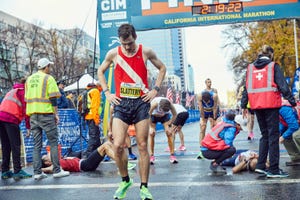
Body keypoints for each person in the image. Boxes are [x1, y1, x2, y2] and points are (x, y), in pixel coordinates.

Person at [97, 23, 166, 200]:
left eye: (129, 43)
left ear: (135, 37)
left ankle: (144, 187)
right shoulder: (113, 53)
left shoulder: (146, 51)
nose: (127, 47)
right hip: (121, 103)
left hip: (141, 103)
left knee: (142, 145)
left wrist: (155, 90)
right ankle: (125, 180)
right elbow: (100, 71)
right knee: (118, 145)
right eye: (124, 44)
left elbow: (162, 68)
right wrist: (107, 93)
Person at [241, 45, 296, 178]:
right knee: (273, 136)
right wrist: (292, 101)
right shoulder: (273, 66)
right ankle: (274, 169)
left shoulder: (250, 68)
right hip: (271, 105)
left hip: (257, 105)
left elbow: (246, 88)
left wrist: (243, 105)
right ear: (271, 54)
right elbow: (283, 85)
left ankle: (260, 166)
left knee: (264, 135)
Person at [25, 57, 70, 180]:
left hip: (33, 115)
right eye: (49, 66)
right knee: (53, 142)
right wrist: (56, 114)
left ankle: (37, 173)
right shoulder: (48, 78)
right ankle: (56, 170)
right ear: (46, 67)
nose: (50, 68)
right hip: (46, 114)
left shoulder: (29, 80)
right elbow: (53, 98)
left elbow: (26, 99)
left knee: (36, 145)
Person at [0, 77, 32, 180]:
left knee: (6, 145)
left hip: (1, 117)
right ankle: (17, 171)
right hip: (11, 118)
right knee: (16, 145)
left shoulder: (13, 90)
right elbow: (26, 110)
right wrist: (28, 127)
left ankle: (5, 171)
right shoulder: (23, 92)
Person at [41, 141, 136, 173]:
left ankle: (123, 162)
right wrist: (40, 169)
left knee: (107, 143)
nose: (49, 155)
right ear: (47, 162)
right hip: (85, 166)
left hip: (85, 162)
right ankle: (122, 164)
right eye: (47, 157)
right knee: (105, 147)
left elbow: (51, 152)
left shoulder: (57, 159)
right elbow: (50, 168)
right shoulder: (56, 165)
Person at [149, 97, 178, 164]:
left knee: (169, 133)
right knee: (151, 133)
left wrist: (170, 123)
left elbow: (175, 115)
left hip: (164, 117)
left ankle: (172, 155)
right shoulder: (155, 104)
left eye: (165, 111)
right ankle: (151, 156)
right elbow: (148, 115)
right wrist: (151, 127)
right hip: (153, 115)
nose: (163, 112)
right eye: (163, 110)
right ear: (160, 106)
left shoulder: (170, 105)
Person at [196, 90, 220, 159]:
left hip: (213, 111)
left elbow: (215, 108)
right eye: (205, 102)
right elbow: (201, 109)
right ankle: (201, 149)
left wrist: (214, 119)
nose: (207, 103)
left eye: (208, 101)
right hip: (204, 111)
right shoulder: (199, 96)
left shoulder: (214, 96)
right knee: (202, 128)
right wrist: (203, 120)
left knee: (216, 128)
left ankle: (215, 147)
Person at [84, 82, 103, 158]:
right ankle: (88, 155)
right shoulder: (96, 91)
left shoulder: (89, 91)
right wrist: (96, 120)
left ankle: (99, 153)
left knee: (96, 136)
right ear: (99, 86)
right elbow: (94, 107)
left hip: (88, 116)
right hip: (92, 117)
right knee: (93, 136)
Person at [279, 99, 300, 166]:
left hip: (296, 124)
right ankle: (296, 158)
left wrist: (283, 136)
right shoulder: (278, 108)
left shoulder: (283, 109)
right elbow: (284, 123)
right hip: (297, 123)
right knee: (285, 136)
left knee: (296, 135)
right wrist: (279, 134)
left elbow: (294, 126)